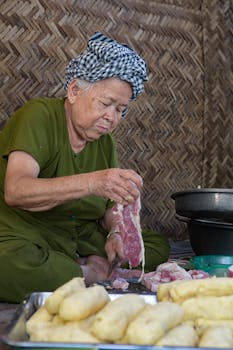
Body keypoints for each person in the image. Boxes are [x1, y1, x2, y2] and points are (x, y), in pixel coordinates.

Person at [0, 32, 170, 303]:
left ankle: (80, 267)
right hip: (26, 235)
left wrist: (116, 231)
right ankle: (83, 271)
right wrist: (93, 182)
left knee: (155, 247)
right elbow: (16, 190)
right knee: (10, 266)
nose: (111, 117)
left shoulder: (104, 143)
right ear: (75, 91)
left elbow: (107, 209)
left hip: (78, 236)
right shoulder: (38, 116)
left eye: (120, 109)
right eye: (106, 104)